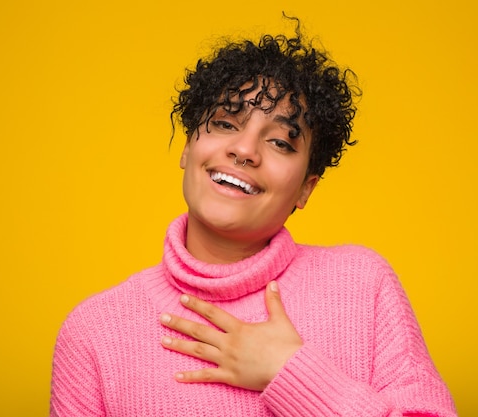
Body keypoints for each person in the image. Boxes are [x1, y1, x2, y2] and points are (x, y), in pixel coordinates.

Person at [50, 19, 457, 416]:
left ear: (305, 189)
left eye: (280, 142)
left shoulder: (364, 286)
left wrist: (290, 372)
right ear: (188, 148)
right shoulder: (94, 333)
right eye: (226, 123)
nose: (245, 149)